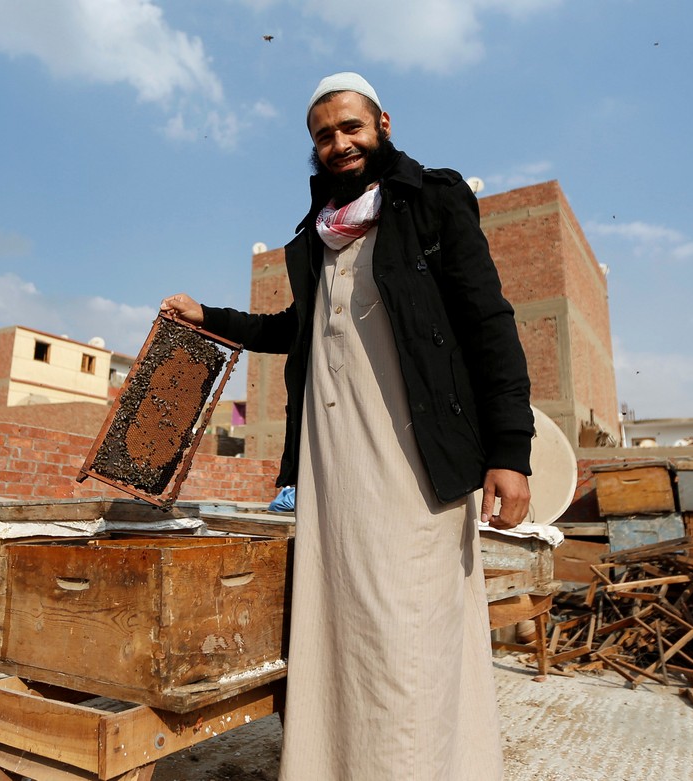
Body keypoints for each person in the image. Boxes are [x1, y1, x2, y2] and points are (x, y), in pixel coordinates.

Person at [162, 72, 533, 781]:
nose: (339, 143)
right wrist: (207, 317)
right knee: (340, 629)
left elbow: (489, 323)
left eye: (351, 128)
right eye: (324, 135)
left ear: (382, 124)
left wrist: (510, 449)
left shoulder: (433, 203)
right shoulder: (313, 239)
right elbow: (293, 330)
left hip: (414, 460)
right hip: (332, 466)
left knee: (408, 634)